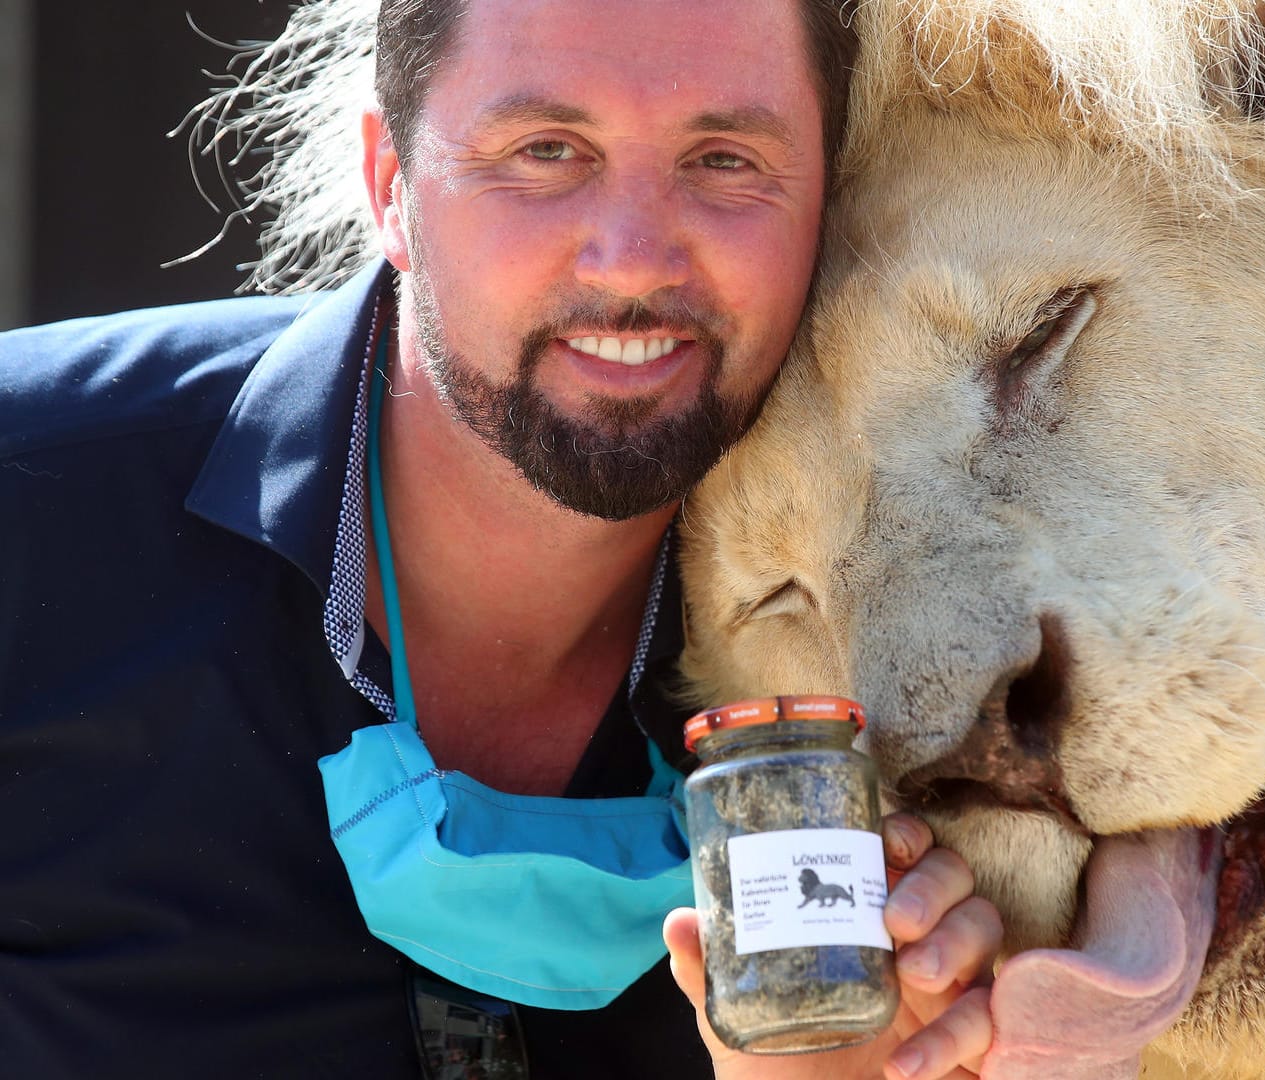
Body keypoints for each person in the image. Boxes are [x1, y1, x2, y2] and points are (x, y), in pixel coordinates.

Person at [0, 0, 1002, 1076]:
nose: (632, 262)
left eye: (723, 159)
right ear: (390, 184)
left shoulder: (932, 653)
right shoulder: (30, 506)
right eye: (546, 150)